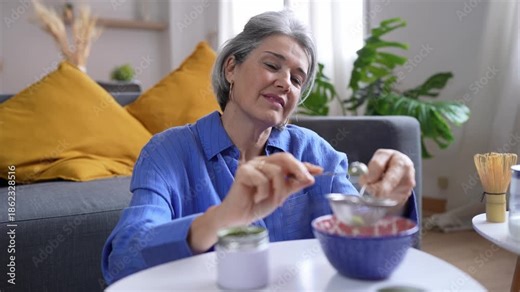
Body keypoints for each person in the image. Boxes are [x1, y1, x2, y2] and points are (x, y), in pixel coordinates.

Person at [102, 10, 417, 285]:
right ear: (231, 69)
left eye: (297, 79)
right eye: (272, 65)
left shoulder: (314, 153)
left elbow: (359, 235)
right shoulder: (168, 152)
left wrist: (388, 201)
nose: (285, 83)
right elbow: (123, 261)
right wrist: (222, 218)